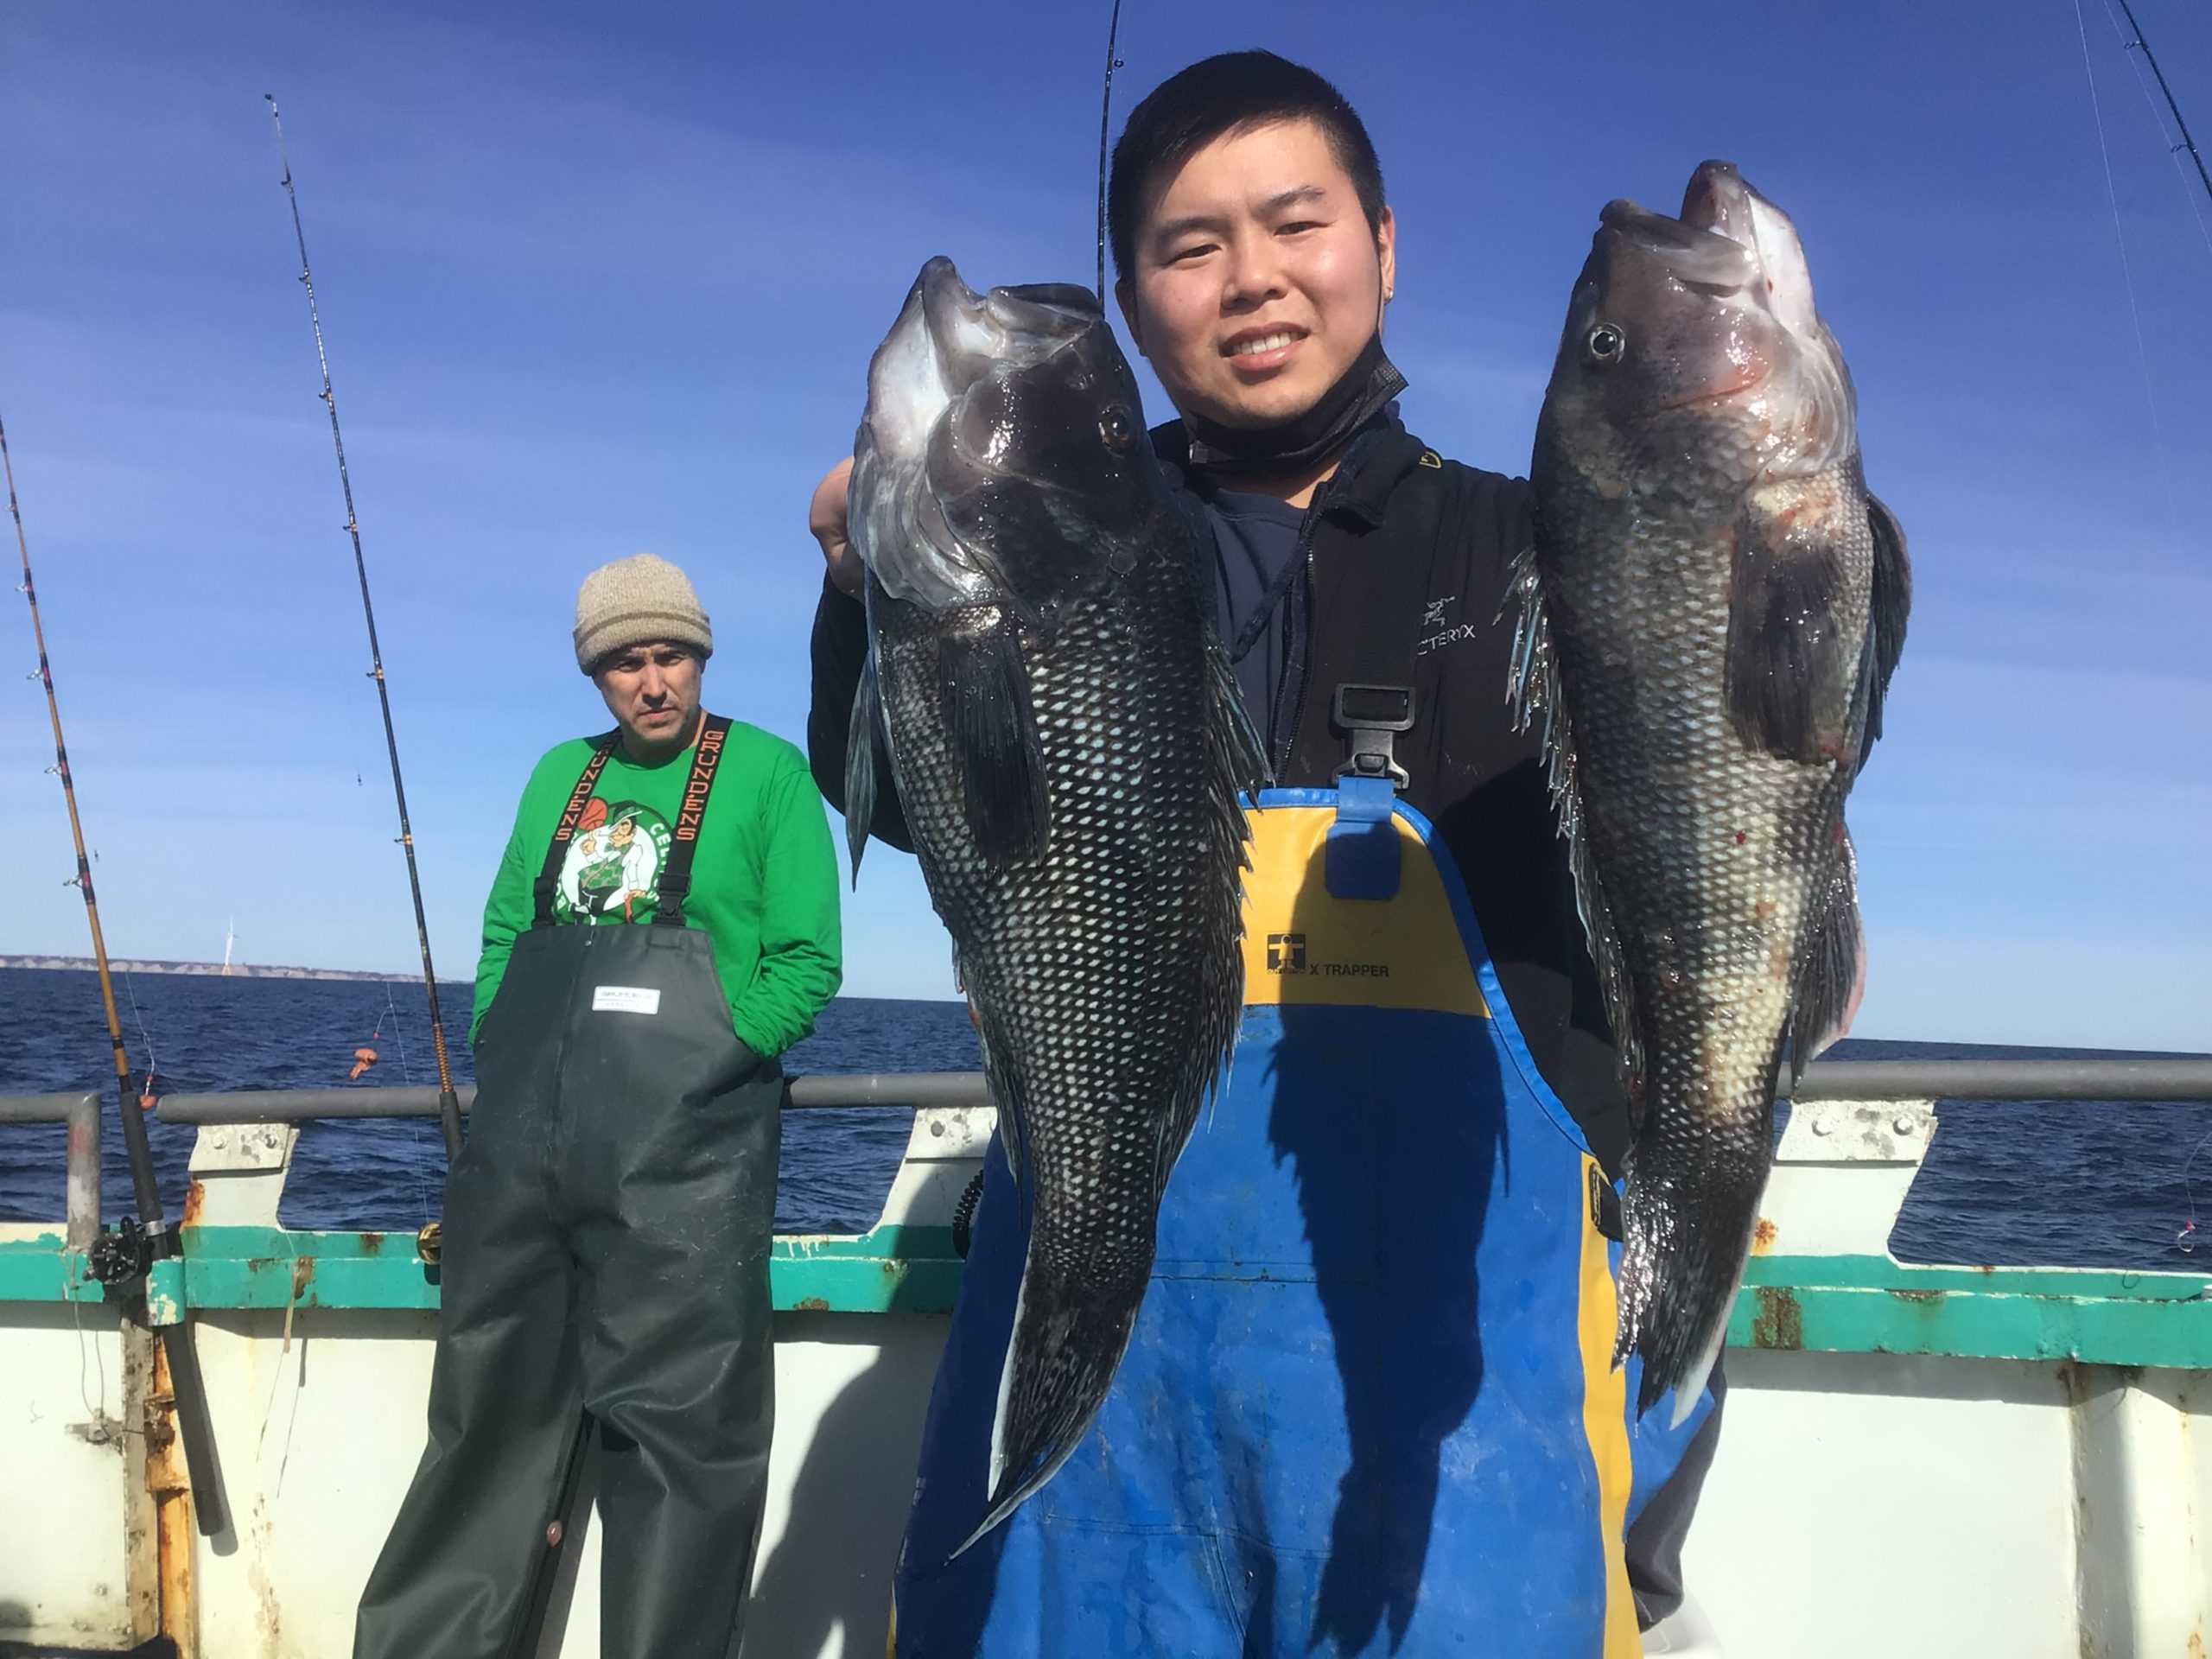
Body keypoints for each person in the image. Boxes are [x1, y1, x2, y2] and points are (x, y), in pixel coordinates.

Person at [807, 53, 1724, 1657]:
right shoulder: (1074, 513)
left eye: (1293, 224)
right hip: (1102, 1340)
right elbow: (913, 805)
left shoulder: (1537, 540)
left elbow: (1722, 780)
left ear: (1381, 239)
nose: (1252, 280)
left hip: (1458, 1379)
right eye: (1187, 245)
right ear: (1135, 299)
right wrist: (872, 605)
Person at [355, 552, 842, 1659]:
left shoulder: (765, 773)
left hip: (688, 1159)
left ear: (701, 656)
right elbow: (500, 939)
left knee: (682, 1443)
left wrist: (718, 1056)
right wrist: (501, 1042)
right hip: (523, 1150)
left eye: (669, 655)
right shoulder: (555, 777)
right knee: (486, 1415)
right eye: (625, 664)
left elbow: (808, 961)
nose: (652, 681)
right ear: (598, 678)